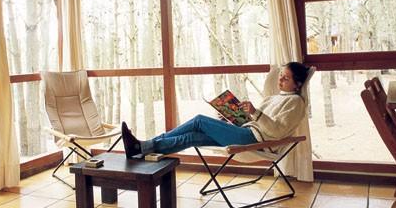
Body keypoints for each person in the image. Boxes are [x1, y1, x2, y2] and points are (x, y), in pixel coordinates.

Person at [121, 62, 311, 158]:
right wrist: (231, 116)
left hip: (255, 141)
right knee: (192, 137)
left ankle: (147, 144)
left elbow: (276, 131)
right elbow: (255, 121)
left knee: (199, 120)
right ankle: (142, 149)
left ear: (298, 83)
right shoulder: (275, 97)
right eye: (280, 76)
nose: (280, 80)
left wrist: (255, 112)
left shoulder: (295, 103)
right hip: (246, 132)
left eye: (285, 78)